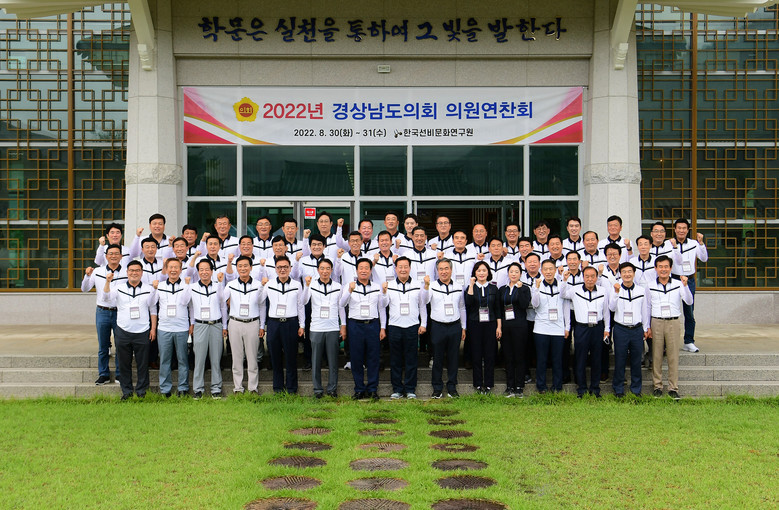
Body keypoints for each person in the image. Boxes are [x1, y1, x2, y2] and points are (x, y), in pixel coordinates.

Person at [104, 260, 157, 400]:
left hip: (143, 331)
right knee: (124, 364)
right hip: (123, 331)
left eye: (137, 270)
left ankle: (141, 391)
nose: (134, 273)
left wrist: (153, 329)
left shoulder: (149, 288)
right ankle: (126, 392)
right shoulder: (119, 288)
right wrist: (108, 282)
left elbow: (153, 309)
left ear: (142, 273)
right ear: (127, 272)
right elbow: (106, 298)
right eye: (131, 270)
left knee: (143, 364)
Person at [647, 255, 693, 400]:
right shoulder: (650, 285)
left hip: (673, 322)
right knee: (657, 355)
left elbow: (689, 301)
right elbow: (647, 307)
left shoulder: (679, 284)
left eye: (666, 266)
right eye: (660, 266)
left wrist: (686, 286)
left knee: (673, 356)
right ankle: (657, 386)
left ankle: (673, 388)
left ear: (671, 268)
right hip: (656, 321)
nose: (663, 269)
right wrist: (647, 326)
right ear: (656, 268)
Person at [340, 258, 386, 400]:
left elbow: (382, 307)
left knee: (373, 358)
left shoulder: (377, 287)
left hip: (373, 324)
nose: (364, 270)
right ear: (356, 270)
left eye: (367, 268)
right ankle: (359, 388)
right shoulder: (350, 285)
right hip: (355, 325)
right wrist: (349, 290)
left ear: (371, 271)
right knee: (356, 358)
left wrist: (383, 327)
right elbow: (342, 304)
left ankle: (372, 389)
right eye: (361, 268)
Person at [561, 265, 610, 398]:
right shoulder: (575, 290)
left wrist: (607, 328)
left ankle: (595, 388)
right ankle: (581, 388)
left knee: (596, 359)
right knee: (580, 358)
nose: (590, 279)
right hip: (581, 328)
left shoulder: (603, 291)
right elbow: (563, 294)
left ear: (596, 278)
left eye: (592, 276)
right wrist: (564, 280)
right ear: (583, 277)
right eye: (587, 276)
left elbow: (606, 311)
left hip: (598, 328)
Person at [81, 244, 126, 385]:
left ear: (121, 256)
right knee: (103, 346)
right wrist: (87, 276)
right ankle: (103, 374)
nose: (113, 256)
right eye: (110, 253)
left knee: (120, 345)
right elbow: (84, 289)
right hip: (102, 311)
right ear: (106, 256)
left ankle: (120, 374)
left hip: (120, 312)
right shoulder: (97, 271)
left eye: (116, 253)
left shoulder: (126, 272)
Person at [382, 256, 426, 400]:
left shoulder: (418, 285)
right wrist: (384, 293)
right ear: (395, 269)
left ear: (410, 268)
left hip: (412, 326)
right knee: (395, 360)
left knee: (411, 359)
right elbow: (383, 305)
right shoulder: (389, 285)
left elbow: (422, 305)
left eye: (405, 266)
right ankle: (397, 389)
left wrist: (423, 323)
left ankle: (410, 389)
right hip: (394, 326)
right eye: (400, 267)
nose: (403, 269)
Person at [261, 255, 306, 394]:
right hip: (274, 324)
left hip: (291, 323)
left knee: (291, 357)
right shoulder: (269, 284)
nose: (282, 270)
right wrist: (261, 286)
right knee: (275, 357)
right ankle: (278, 388)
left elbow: (300, 306)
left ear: (290, 268)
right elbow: (259, 301)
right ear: (275, 269)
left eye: (285, 267)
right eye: (279, 267)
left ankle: (291, 388)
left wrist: (302, 325)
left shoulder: (297, 285)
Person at [301, 258, 344, 398]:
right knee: (316, 360)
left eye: (327, 268)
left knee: (333, 360)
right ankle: (317, 389)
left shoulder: (338, 286)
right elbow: (303, 301)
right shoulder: (311, 285)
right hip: (316, 327)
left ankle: (332, 389)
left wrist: (343, 325)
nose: (325, 271)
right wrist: (306, 286)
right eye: (322, 268)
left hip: (332, 327)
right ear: (318, 270)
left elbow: (341, 307)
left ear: (331, 270)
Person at [424, 258, 467, 399]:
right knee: (437, 358)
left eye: (446, 268)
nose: (444, 271)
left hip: (454, 326)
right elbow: (424, 301)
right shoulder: (432, 286)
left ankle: (452, 386)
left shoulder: (459, 286)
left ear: (451, 270)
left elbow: (462, 307)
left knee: (453, 358)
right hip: (438, 326)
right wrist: (426, 286)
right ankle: (437, 388)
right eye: (441, 269)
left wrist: (463, 327)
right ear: (437, 271)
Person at [608, 262, 650, 398]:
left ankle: (636, 389)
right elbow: (611, 308)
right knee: (620, 360)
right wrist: (616, 293)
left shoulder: (641, 290)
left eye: (629, 271)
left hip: (636, 329)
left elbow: (645, 310)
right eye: (624, 272)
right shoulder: (615, 289)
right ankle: (618, 389)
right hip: (621, 329)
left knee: (636, 360)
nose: (627, 274)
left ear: (634, 273)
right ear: (620, 274)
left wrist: (646, 327)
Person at [224, 256, 264, 395]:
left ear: (251, 267)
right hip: (235, 322)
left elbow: (262, 305)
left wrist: (262, 325)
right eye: (240, 266)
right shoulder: (231, 284)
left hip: (252, 323)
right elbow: (221, 300)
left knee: (252, 357)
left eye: (246, 265)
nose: (243, 268)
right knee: (237, 357)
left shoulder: (258, 285)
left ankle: (253, 388)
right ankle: (238, 388)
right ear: (237, 268)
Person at [188, 260, 227, 399]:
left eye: (207, 269)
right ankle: (198, 389)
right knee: (199, 358)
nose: (204, 272)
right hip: (200, 325)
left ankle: (216, 388)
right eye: (201, 269)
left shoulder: (218, 286)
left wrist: (224, 326)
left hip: (216, 325)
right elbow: (189, 306)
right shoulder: (192, 287)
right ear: (198, 272)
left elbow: (223, 305)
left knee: (216, 358)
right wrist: (192, 323)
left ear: (211, 271)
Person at [151, 259, 191, 397]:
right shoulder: (160, 285)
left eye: (176, 267)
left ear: (180, 269)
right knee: (164, 360)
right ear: (166, 269)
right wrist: (154, 289)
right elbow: (151, 303)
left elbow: (186, 302)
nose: (173, 270)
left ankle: (183, 387)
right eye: (170, 267)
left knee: (183, 359)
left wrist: (187, 286)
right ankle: (165, 389)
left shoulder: (186, 285)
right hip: (164, 328)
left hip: (181, 328)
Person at [531, 259, 570, 393]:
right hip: (541, 328)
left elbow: (566, 306)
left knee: (557, 359)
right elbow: (535, 304)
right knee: (541, 359)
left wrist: (567, 326)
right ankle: (541, 386)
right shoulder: (537, 284)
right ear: (541, 271)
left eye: (551, 269)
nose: (548, 272)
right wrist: (536, 288)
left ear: (555, 270)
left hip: (558, 328)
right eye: (545, 269)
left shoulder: (562, 285)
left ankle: (557, 386)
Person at [465, 261, 502, 394]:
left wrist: (499, 327)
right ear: (475, 273)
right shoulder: (470, 287)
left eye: (484, 270)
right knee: (476, 353)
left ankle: (488, 384)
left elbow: (497, 309)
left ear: (488, 273)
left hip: (490, 323)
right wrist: (471, 285)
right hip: (475, 323)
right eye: (479, 271)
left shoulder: (493, 288)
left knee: (489, 354)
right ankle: (478, 384)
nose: (481, 273)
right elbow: (468, 303)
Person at [672, 219, 708, 352]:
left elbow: (704, 258)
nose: (681, 230)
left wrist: (701, 243)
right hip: (673, 280)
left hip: (689, 280)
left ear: (688, 230)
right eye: (679, 228)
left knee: (689, 312)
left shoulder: (694, 243)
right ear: (675, 229)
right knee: (671, 312)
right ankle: (669, 342)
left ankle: (689, 341)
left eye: (684, 228)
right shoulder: (669, 244)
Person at [498, 262, 531, 397]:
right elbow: (499, 309)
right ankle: (510, 386)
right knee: (508, 356)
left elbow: (524, 305)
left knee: (519, 356)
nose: (513, 274)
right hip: (506, 326)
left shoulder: (525, 288)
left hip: (520, 326)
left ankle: (519, 386)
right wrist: (499, 327)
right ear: (508, 273)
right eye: (511, 271)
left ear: (521, 274)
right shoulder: (503, 289)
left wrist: (520, 289)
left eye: (516, 272)